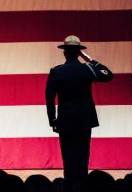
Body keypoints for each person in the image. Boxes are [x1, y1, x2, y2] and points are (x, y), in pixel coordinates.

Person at [45, 35, 113, 191]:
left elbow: (49, 97)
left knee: (68, 153)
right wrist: (90, 60)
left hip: (65, 119)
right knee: (82, 152)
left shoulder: (57, 71)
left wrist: (52, 120)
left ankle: (69, 183)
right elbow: (107, 74)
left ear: (64, 53)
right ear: (78, 53)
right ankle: (82, 184)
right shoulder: (87, 69)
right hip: (84, 118)